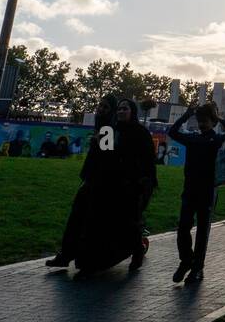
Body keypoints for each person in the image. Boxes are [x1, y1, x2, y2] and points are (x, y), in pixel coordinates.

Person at [167, 103, 225, 285]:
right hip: (190, 190)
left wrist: (219, 117)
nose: (201, 124)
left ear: (213, 122)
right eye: (199, 121)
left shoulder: (218, 139)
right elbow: (172, 132)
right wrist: (186, 115)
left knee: (202, 231)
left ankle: (197, 269)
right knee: (183, 227)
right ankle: (186, 261)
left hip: (208, 191)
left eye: (205, 121)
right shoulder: (192, 138)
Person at [45, 95, 118, 269]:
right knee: (78, 218)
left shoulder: (107, 128)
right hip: (91, 177)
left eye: (105, 107)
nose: (100, 109)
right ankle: (69, 254)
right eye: (100, 105)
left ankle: (74, 255)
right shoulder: (102, 126)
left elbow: (106, 156)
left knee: (80, 218)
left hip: (96, 180)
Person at [115, 98, 157, 271]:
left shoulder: (140, 132)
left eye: (125, 109)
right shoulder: (113, 131)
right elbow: (106, 153)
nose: (121, 111)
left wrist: (143, 180)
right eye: (119, 109)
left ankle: (137, 251)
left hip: (136, 183)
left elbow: (149, 159)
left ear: (132, 111)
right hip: (117, 181)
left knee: (132, 218)